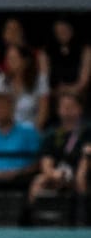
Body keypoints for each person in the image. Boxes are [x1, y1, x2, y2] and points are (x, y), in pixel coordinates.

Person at [26, 88, 88, 220]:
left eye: (71, 107)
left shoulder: (87, 130)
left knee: (81, 179)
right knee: (38, 181)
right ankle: (35, 221)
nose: (67, 111)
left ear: (80, 108)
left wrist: (79, 174)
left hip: (83, 174)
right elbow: (46, 162)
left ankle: (84, 221)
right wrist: (53, 174)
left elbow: (87, 155)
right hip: (59, 174)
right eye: (64, 107)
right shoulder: (52, 134)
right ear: (58, 109)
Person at [0, 44, 49, 130]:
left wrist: (31, 135)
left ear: (25, 61)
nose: (10, 62)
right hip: (5, 131)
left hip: (30, 131)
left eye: (14, 59)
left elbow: (42, 114)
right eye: (8, 59)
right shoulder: (1, 80)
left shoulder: (39, 81)